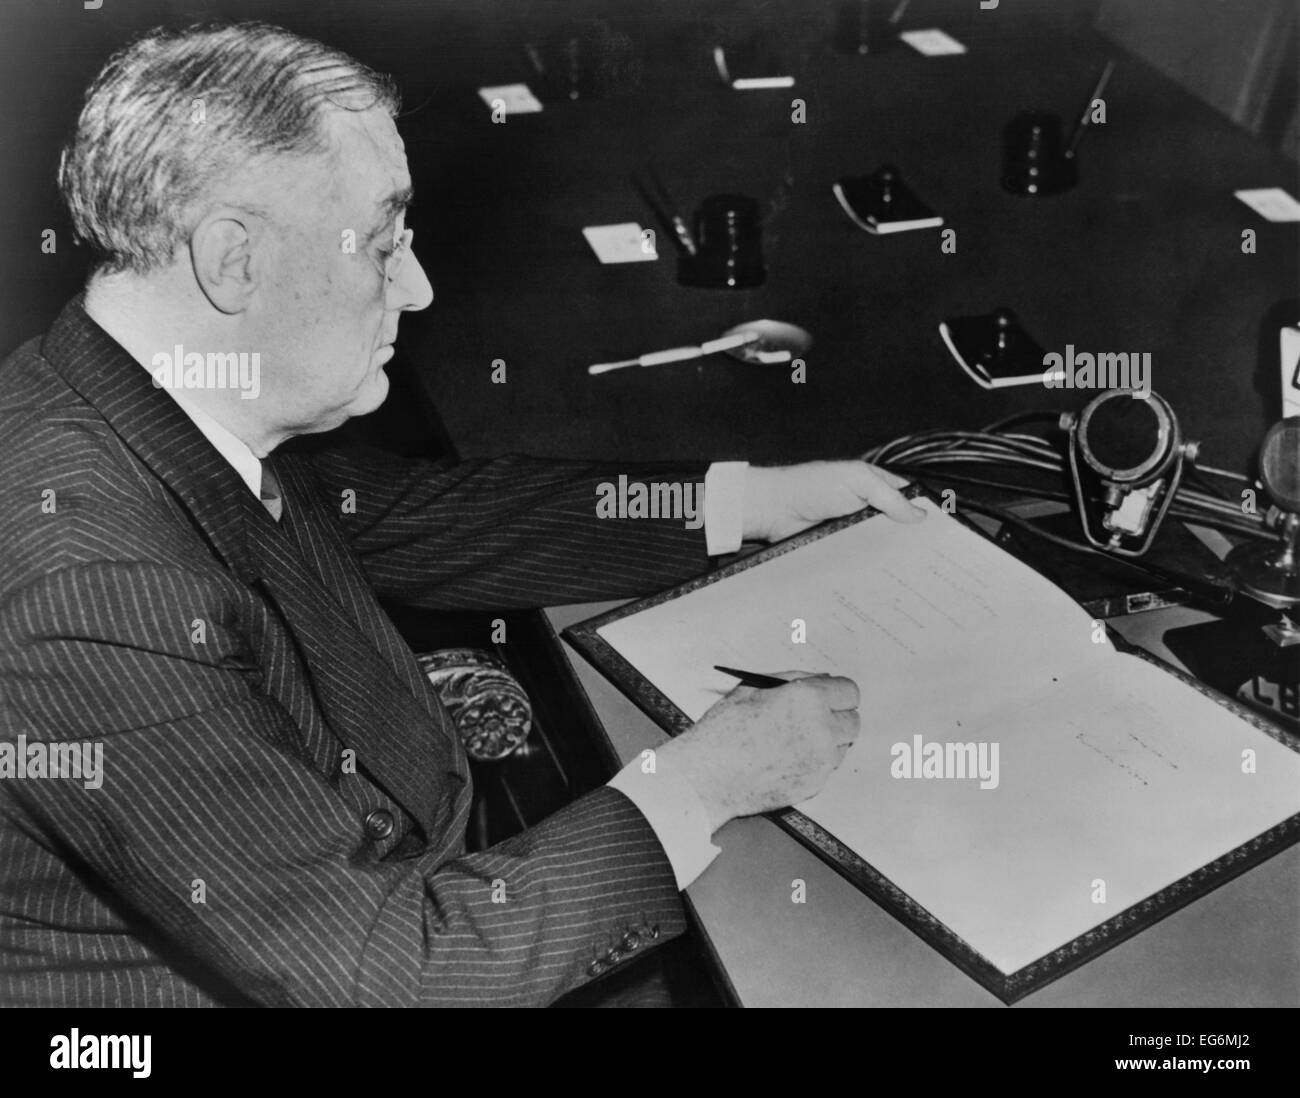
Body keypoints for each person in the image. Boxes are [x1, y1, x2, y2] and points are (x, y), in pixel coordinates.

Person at [0, 21, 923, 1007]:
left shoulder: (132, 393)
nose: (418, 285)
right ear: (233, 259)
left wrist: (756, 499)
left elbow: (409, 516)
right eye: (384, 242)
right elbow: (400, 980)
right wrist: (706, 781)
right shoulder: (90, 589)